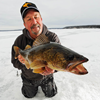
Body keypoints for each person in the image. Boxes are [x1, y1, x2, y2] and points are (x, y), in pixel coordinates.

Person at [11, 2, 61, 98]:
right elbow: (14, 62)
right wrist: (22, 62)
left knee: (52, 94)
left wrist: (53, 69)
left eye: (36, 17)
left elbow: (60, 61)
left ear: (41, 19)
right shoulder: (19, 41)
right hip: (29, 78)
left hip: (47, 77)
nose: (34, 22)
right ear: (25, 24)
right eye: (29, 19)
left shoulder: (52, 38)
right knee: (28, 95)